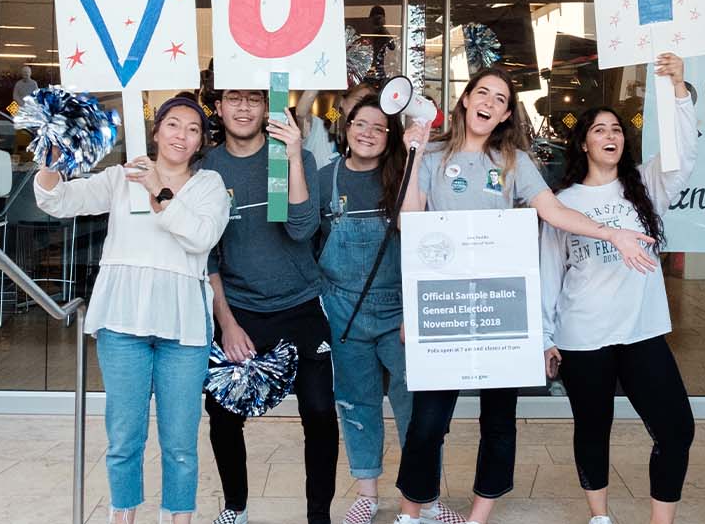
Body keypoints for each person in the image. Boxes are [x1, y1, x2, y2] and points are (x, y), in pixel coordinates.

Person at [392, 68, 662, 524]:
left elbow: (554, 211)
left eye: (500, 100)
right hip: (444, 309)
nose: (489, 103)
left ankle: (478, 517)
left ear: (503, 115)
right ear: (465, 100)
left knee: (498, 420)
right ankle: (409, 515)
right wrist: (414, 156)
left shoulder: (513, 160)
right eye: (483, 93)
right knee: (427, 422)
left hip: (500, 307)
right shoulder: (433, 154)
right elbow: (409, 223)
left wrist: (612, 233)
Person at [33, 94, 231, 524]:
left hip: (184, 328)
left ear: (201, 143)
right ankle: (122, 515)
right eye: (173, 125)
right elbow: (58, 201)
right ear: (156, 130)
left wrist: (158, 192)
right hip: (123, 319)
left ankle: (179, 516)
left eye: (193, 129)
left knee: (180, 440)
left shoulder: (209, 186)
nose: (182, 135)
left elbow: (200, 238)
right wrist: (52, 159)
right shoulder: (122, 177)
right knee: (124, 434)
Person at [541, 53, 698, 524]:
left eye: (615, 129)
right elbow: (551, 271)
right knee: (593, 429)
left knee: (676, 430)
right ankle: (600, 517)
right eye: (599, 130)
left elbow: (683, 156)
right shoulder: (563, 203)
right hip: (583, 334)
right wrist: (547, 338)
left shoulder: (645, 187)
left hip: (641, 332)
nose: (610, 136)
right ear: (584, 144)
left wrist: (677, 91)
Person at [200, 87, 334, 524]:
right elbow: (208, 256)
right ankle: (235, 506)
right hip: (240, 310)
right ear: (218, 108)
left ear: (268, 107)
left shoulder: (292, 159)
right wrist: (228, 322)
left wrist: (294, 155)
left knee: (318, 411)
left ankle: (318, 515)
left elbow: (301, 229)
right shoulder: (207, 170)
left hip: (299, 304)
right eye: (233, 99)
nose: (243, 108)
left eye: (253, 99)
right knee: (221, 413)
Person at [318, 97, 451, 524]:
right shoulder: (326, 178)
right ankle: (367, 494)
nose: (368, 133)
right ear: (347, 128)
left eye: (379, 127)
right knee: (357, 403)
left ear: (390, 135)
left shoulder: (405, 175)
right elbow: (307, 239)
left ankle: (425, 497)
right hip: (345, 312)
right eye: (361, 124)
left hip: (400, 313)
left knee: (416, 407)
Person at [300, 81, 378, 169]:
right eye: (359, 100)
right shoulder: (319, 130)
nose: (364, 108)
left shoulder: (367, 142)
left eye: (369, 105)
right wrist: (319, 77)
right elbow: (301, 113)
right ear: (342, 101)